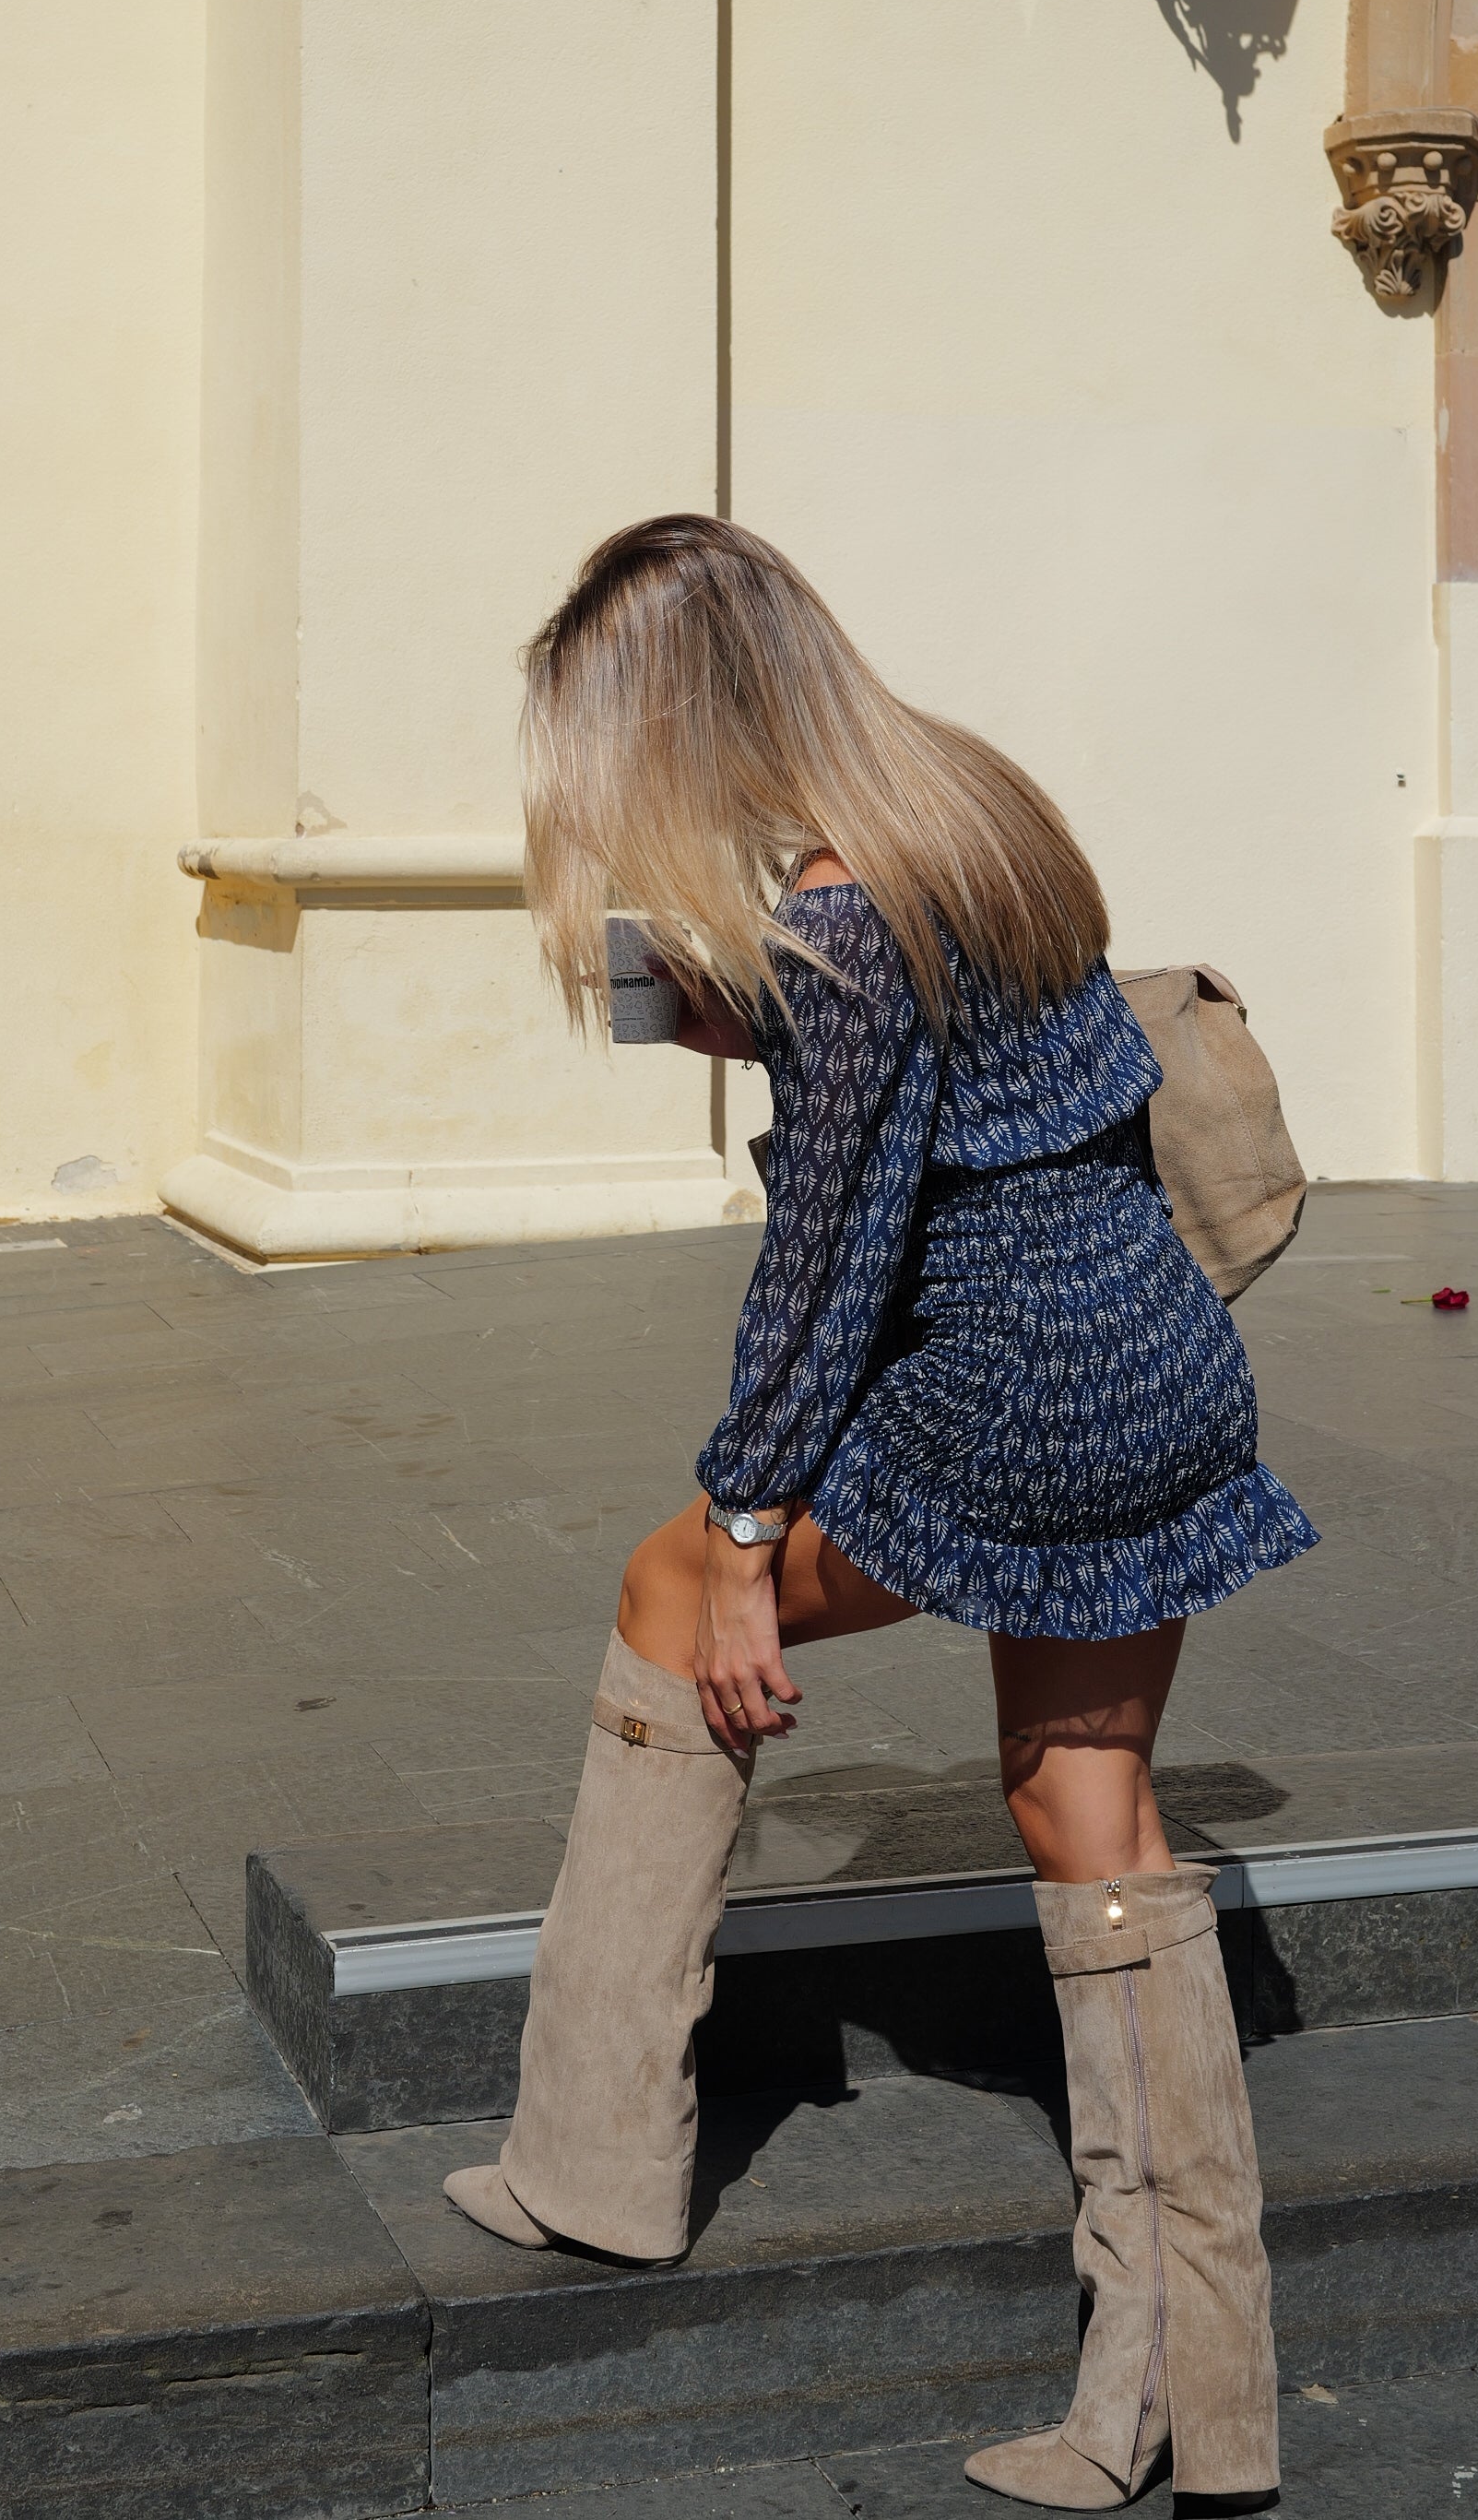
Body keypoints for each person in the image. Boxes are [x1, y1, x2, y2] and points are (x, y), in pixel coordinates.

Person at [443, 515, 1316, 2517]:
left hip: (1006, 1397)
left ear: (675, 727)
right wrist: (785, 1034)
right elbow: (997, 1069)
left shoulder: (836, 931)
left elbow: (828, 1268)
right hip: (1153, 1360)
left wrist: (747, 1541)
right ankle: (1187, 2397)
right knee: (1093, 1821)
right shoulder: (976, 808)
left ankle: (596, 2164)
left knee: (667, 1585)